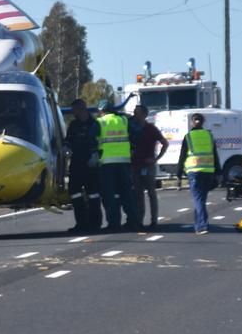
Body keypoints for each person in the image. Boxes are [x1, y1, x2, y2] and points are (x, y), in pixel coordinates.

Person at [95, 102, 137, 232]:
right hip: (124, 162)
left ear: (102, 110)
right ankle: (132, 221)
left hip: (107, 163)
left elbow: (90, 138)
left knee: (109, 195)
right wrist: (132, 148)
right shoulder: (124, 120)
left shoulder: (100, 122)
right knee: (127, 193)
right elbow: (137, 134)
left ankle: (114, 223)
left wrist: (94, 153)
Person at [175, 112, 219, 234]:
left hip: (194, 171)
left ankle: (202, 226)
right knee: (201, 200)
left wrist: (178, 174)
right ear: (203, 122)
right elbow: (215, 155)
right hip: (208, 171)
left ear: (192, 122)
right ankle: (198, 224)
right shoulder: (209, 136)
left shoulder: (188, 137)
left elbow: (182, 156)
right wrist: (219, 173)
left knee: (198, 200)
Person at [64, 98, 103, 233]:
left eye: (75, 110)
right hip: (76, 164)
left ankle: (95, 223)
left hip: (91, 165)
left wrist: (97, 156)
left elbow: (101, 142)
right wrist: (66, 148)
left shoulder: (95, 124)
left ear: (82, 109)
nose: (74, 113)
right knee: (75, 193)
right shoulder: (73, 125)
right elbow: (68, 140)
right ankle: (81, 223)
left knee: (93, 195)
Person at [129, 104, 169, 231]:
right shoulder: (131, 129)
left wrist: (156, 159)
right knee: (138, 194)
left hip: (148, 166)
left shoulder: (151, 129)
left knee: (151, 193)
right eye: (135, 112)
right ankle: (139, 221)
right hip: (135, 165)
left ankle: (154, 221)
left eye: (138, 113)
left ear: (144, 115)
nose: (135, 115)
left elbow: (165, 143)